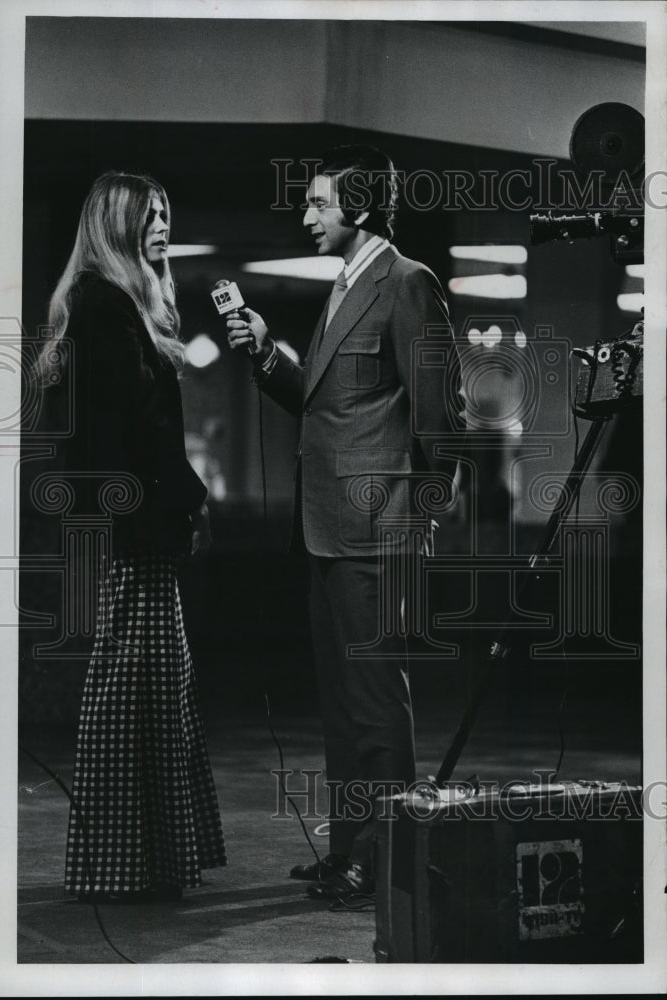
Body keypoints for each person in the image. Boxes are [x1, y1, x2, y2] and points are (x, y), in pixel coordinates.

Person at [227, 145, 463, 904]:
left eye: (318, 203)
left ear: (358, 210)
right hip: (328, 527)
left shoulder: (407, 284)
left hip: (379, 531)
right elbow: (328, 404)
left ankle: (384, 861)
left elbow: (440, 420)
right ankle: (351, 852)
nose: (305, 215)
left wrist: (418, 526)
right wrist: (266, 353)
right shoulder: (348, 286)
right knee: (341, 707)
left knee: (374, 707)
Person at [38, 171, 226, 903]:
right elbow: (135, 431)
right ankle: (124, 864)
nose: (161, 226)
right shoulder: (104, 305)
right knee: (132, 696)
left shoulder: (113, 305)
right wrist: (188, 499)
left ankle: (144, 859)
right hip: (135, 528)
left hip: (137, 524)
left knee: (152, 693)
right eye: (148, 216)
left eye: (167, 214)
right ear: (115, 223)